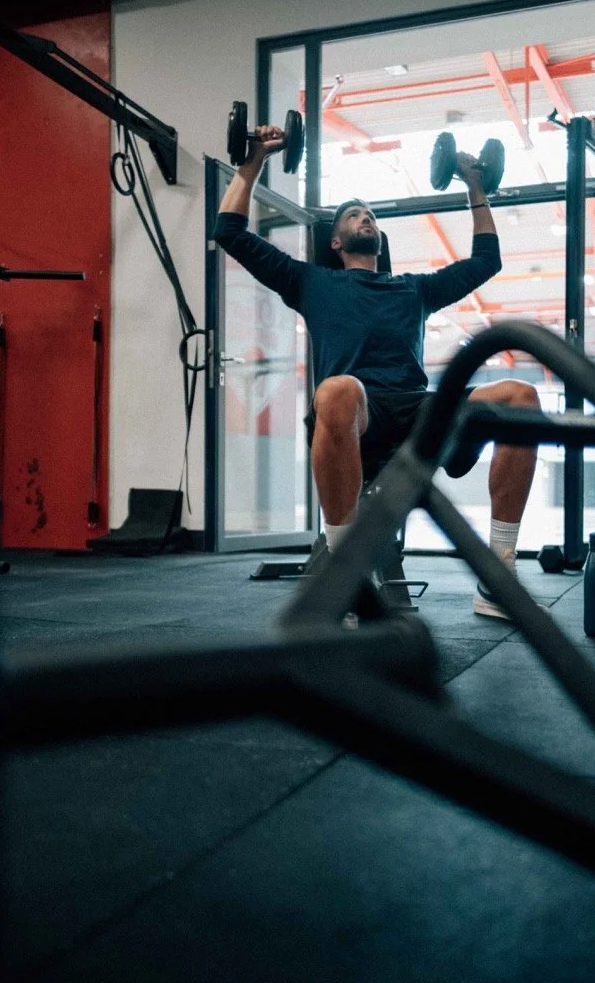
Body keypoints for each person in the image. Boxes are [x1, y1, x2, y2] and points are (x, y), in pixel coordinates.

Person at [213, 123, 540, 620]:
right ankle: (347, 578)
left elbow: (485, 261)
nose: (364, 217)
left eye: (370, 215)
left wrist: (474, 184)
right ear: (337, 243)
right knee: (339, 389)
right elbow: (229, 233)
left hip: (419, 409)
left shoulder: (414, 289)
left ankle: (500, 572)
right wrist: (253, 160)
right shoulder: (311, 282)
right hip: (356, 412)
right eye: (352, 215)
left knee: (519, 396)